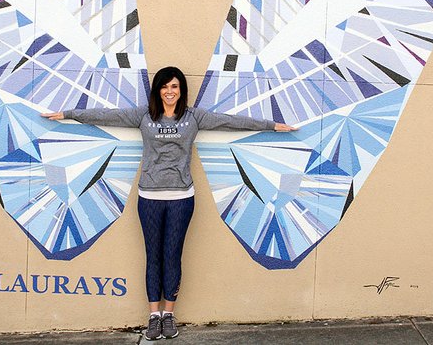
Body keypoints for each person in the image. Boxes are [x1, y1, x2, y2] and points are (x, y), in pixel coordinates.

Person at [42, 66, 295, 340]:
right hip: (149, 196)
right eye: (165, 86)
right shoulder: (143, 115)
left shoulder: (194, 117)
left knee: (172, 256)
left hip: (181, 198)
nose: (170, 91)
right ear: (158, 90)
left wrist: (272, 126)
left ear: (181, 90)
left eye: (175, 86)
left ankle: (169, 315)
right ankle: (153, 316)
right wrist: (68, 114)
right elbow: (106, 116)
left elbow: (231, 121)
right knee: (154, 256)